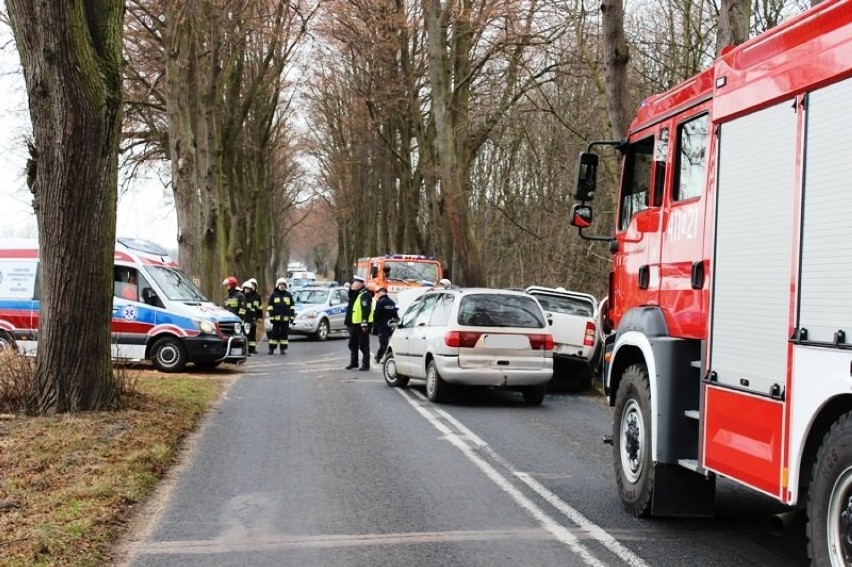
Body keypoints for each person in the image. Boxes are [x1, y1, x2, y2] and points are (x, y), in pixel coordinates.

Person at [344, 275, 374, 371]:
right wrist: (352, 289)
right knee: (352, 344)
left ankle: (366, 364)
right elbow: (351, 299)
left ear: (360, 284)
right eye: (354, 282)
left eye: (356, 283)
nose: (354, 284)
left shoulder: (365, 294)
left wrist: (364, 322)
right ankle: (354, 362)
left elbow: (366, 309)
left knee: (363, 344)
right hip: (354, 323)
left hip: (361, 324)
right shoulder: (357, 293)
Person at [267, 277, 294, 354]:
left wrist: (291, 317)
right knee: (274, 334)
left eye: (283, 285)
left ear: (285, 286)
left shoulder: (288, 295)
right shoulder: (274, 295)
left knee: (284, 335)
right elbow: (270, 307)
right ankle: (271, 349)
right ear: (277, 285)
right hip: (276, 319)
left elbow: (292, 307)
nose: (282, 286)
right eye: (280, 285)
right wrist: (271, 317)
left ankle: (283, 349)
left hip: (285, 320)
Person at [372, 287, 398, 364]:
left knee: (383, 344)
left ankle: (379, 357)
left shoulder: (380, 302)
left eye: (378, 292)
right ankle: (385, 357)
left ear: (382, 292)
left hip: (382, 327)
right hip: (390, 326)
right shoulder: (392, 303)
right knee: (390, 344)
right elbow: (395, 316)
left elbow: (376, 315)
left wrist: (375, 326)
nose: (377, 294)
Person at [243, 278, 263, 354]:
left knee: (253, 333)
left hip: (253, 317)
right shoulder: (243, 295)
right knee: (246, 333)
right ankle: (246, 349)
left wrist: (260, 317)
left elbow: (259, 308)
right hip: (246, 318)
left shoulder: (257, 296)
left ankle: (252, 349)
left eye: (254, 285)